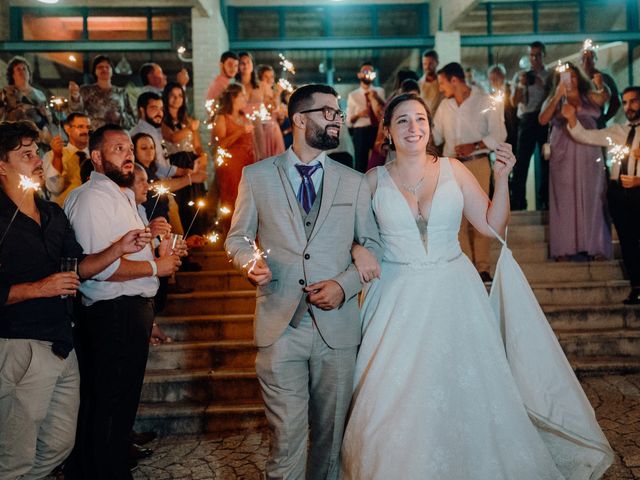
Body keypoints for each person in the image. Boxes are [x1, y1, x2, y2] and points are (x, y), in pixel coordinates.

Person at [340, 93, 613, 479]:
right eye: (402, 120)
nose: (413, 127)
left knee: (466, 393)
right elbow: (346, 234)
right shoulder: (372, 181)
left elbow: (489, 225)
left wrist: (501, 180)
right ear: (387, 130)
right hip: (395, 300)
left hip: (455, 295)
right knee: (391, 400)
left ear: (430, 127)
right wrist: (356, 249)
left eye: (420, 118)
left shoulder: (454, 169)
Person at [225, 84, 382, 480]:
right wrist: (248, 262)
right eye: (328, 112)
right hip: (280, 327)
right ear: (299, 119)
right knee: (287, 437)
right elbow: (237, 237)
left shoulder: (354, 181)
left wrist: (344, 285)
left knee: (331, 443)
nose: (337, 120)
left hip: (339, 332)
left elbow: (373, 244)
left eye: (339, 113)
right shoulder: (256, 176)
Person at [0, 120, 150, 479]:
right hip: (18, 342)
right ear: (2, 166)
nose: (37, 160)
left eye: (36, 153)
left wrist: (117, 248)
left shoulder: (51, 213)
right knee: (16, 452)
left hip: (61, 344)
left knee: (59, 444)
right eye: (25, 155)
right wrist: (41, 288)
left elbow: (81, 267)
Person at [63, 124, 184, 479]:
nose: (128, 154)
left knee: (121, 403)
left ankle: (109, 466)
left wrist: (159, 247)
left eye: (129, 148)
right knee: (108, 404)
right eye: (118, 149)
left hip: (130, 312)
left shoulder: (122, 196)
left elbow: (132, 257)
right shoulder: (92, 199)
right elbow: (96, 268)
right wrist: (155, 266)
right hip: (110, 314)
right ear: (96, 157)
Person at [562, 86, 640, 304]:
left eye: (633, 101)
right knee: (627, 241)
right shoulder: (618, 131)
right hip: (618, 193)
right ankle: (636, 286)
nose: (628, 107)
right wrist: (571, 118)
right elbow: (585, 136)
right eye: (624, 103)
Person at [433, 62, 507, 282]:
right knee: (456, 218)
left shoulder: (484, 100)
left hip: (477, 163)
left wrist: (474, 145)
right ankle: (464, 267)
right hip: (451, 166)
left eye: (442, 83)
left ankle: (483, 267)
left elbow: (500, 134)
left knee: (481, 216)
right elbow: (435, 136)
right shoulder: (444, 106)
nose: (440, 88)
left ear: (454, 80)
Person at [538, 62, 612, 261]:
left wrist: (601, 85)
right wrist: (557, 94)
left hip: (589, 148)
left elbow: (604, 98)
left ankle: (596, 246)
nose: (570, 80)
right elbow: (542, 119)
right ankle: (564, 248)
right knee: (564, 198)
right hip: (563, 149)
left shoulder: (588, 95)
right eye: (565, 76)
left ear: (578, 78)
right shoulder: (555, 98)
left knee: (593, 195)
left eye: (573, 76)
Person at [161, 82, 208, 234]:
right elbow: (172, 138)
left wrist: (202, 156)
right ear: (166, 97)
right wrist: (189, 128)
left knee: (195, 202)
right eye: (173, 96)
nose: (177, 99)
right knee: (180, 202)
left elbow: (197, 144)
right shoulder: (163, 120)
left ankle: (196, 237)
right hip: (177, 162)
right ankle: (183, 239)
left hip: (191, 161)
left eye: (180, 96)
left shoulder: (187, 119)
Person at [510, 41, 551, 210]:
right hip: (526, 119)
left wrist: (542, 84)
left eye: (538, 55)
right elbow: (513, 102)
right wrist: (521, 85)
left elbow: (554, 97)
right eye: (532, 55)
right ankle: (518, 201)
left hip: (543, 119)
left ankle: (545, 199)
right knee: (521, 162)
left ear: (543, 55)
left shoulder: (549, 75)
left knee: (546, 160)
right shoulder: (520, 76)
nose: (534, 58)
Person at [211, 84, 256, 216]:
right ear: (233, 97)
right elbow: (219, 146)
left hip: (247, 164)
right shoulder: (221, 118)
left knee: (249, 203)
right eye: (242, 95)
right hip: (231, 168)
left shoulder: (244, 116)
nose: (245, 98)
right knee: (234, 203)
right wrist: (240, 131)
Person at [68, 55, 136, 130]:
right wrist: (75, 96)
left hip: (116, 135)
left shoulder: (121, 92)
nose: (104, 69)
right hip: (93, 136)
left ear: (112, 71)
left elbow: (133, 119)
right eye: (100, 67)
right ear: (95, 71)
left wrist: (120, 117)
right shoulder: (85, 91)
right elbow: (75, 113)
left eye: (107, 67)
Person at [42, 112, 91, 206]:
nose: (86, 131)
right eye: (80, 127)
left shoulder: (96, 156)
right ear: (67, 128)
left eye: (88, 127)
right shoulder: (51, 155)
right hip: (64, 212)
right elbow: (55, 188)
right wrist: (57, 156)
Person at [0, 56, 52, 142]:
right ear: (12, 74)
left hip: (37, 136)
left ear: (29, 73)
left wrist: (45, 113)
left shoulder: (39, 94)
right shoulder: (6, 92)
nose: (22, 71)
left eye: (24, 69)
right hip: (14, 136)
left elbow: (48, 118)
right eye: (18, 69)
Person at [347, 62, 385, 172]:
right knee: (360, 163)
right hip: (360, 132)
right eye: (365, 71)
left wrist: (377, 98)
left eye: (370, 72)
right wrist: (359, 114)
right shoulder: (352, 95)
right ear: (359, 75)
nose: (368, 74)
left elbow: (385, 110)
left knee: (379, 161)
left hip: (377, 131)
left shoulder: (380, 91)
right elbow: (349, 121)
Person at [581, 45, 621, 128]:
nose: (586, 62)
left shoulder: (604, 78)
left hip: (597, 124)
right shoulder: (577, 80)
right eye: (583, 58)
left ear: (595, 59)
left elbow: (616, 102)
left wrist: (604, 119)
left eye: (589, 58)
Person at [257, 64, 286, 158]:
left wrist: (281, 116)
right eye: (266, 76)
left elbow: (278, 117)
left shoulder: (272, 91)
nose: (270, 79)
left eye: (272, 76)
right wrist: (277, 94)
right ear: (260, 77)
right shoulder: (260, 89)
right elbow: (268, 111)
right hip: (265, 129)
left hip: (274, 128)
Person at [488, 64, 518, 153]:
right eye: (491, 80)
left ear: (503, 77)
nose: (493, 82)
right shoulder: (491, 96)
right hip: (499, 134)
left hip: (513, 131)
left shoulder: (512, 89)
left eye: (495, 79)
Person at [418, 50, 443, 116]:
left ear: (437, 63)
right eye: (424, 64)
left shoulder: (443, 84)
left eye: (430, 64)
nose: (427, 67)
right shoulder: (418, 85)